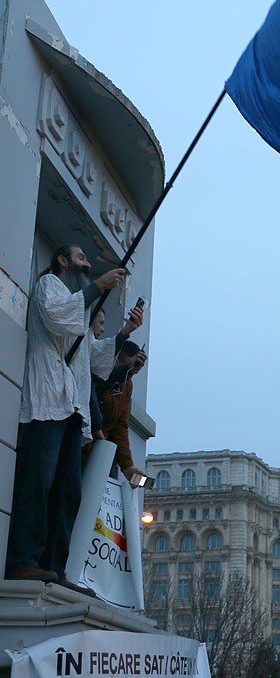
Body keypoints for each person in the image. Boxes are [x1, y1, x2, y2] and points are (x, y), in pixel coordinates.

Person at [5, 244, 142, 592]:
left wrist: (124, 334)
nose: (87, 263)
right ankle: (23, 560)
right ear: (62, 261)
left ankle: (55, 568)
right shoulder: (49, 286)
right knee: (39, 480)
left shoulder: (77, 304)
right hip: (47, 400)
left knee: (68, 490)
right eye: (80, 257)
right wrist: (98, 287)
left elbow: (91, 357)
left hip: (70, 407)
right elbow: (57, 317)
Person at [92, 341, 148, 485]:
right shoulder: (97, 374)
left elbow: (120, 427)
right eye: (125, 369)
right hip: (84, 449)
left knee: (143, 483)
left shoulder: (126, 385)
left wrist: (128, 467)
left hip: (101, 454)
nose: (126, 375)